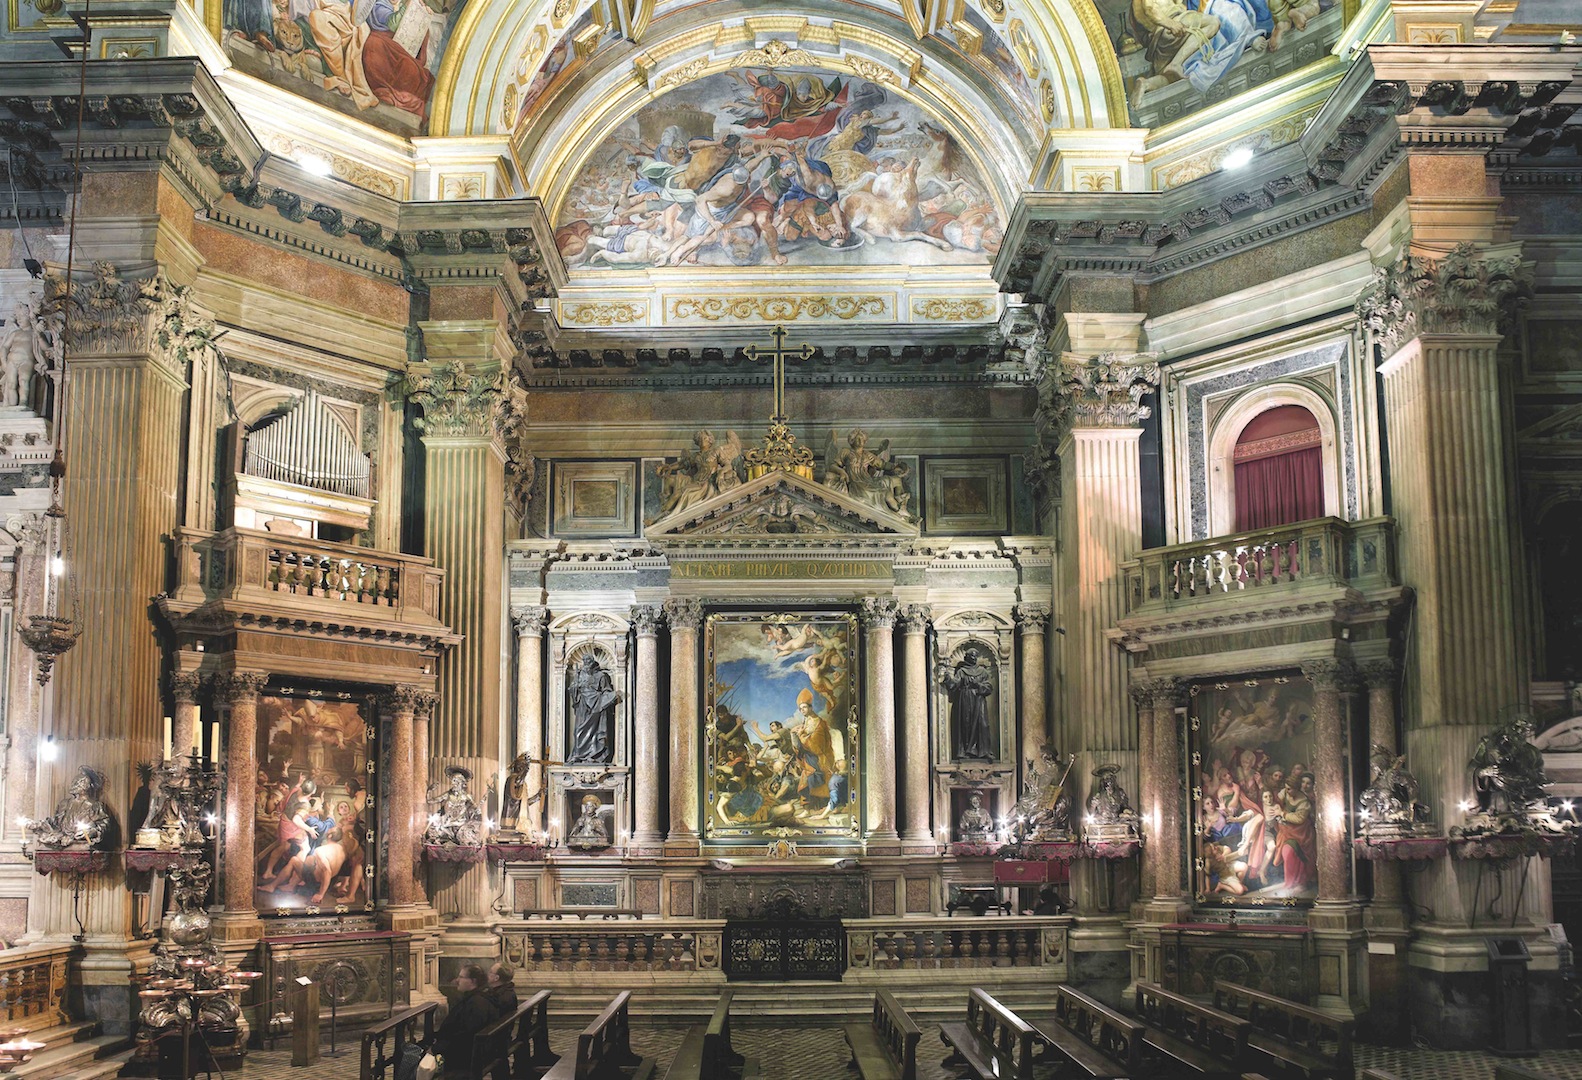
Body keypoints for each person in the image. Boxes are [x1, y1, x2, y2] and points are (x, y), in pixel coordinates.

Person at [435, 964, 498, 1076]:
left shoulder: (477, 1004)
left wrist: (437, 1048)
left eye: (461, 977)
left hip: (466, 1057)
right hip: (471, 1051)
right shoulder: (476, 998)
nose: (457, 980)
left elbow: (466, 1035)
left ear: (473, 981)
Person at [940, 647, 994, 759]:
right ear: (967, 658)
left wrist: (978, 684)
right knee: (966, 725)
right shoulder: (961, 672)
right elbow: (954, 685)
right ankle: (966, 751)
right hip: (965, 699)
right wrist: (947, 678)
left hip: (979, 699)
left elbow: (989, 687)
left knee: (982, 724)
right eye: (972, 656)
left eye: (975, 656)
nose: (974, 658)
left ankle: (984, 751)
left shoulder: (983, 672)